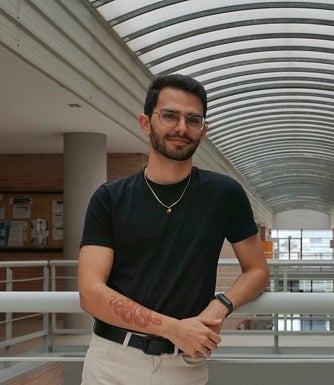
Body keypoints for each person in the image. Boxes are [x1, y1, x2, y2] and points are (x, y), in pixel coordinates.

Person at [77, 73, 270, 385]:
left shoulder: (224, 194)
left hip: (185, 365)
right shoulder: (109, 198)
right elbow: (91, 293)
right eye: (169, 116)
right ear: (145, 123)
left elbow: (257, 270)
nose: (182, 128)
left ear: (203, 132)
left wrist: (221, 304)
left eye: (193, 120)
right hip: (112, 362)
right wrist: (171, 327)